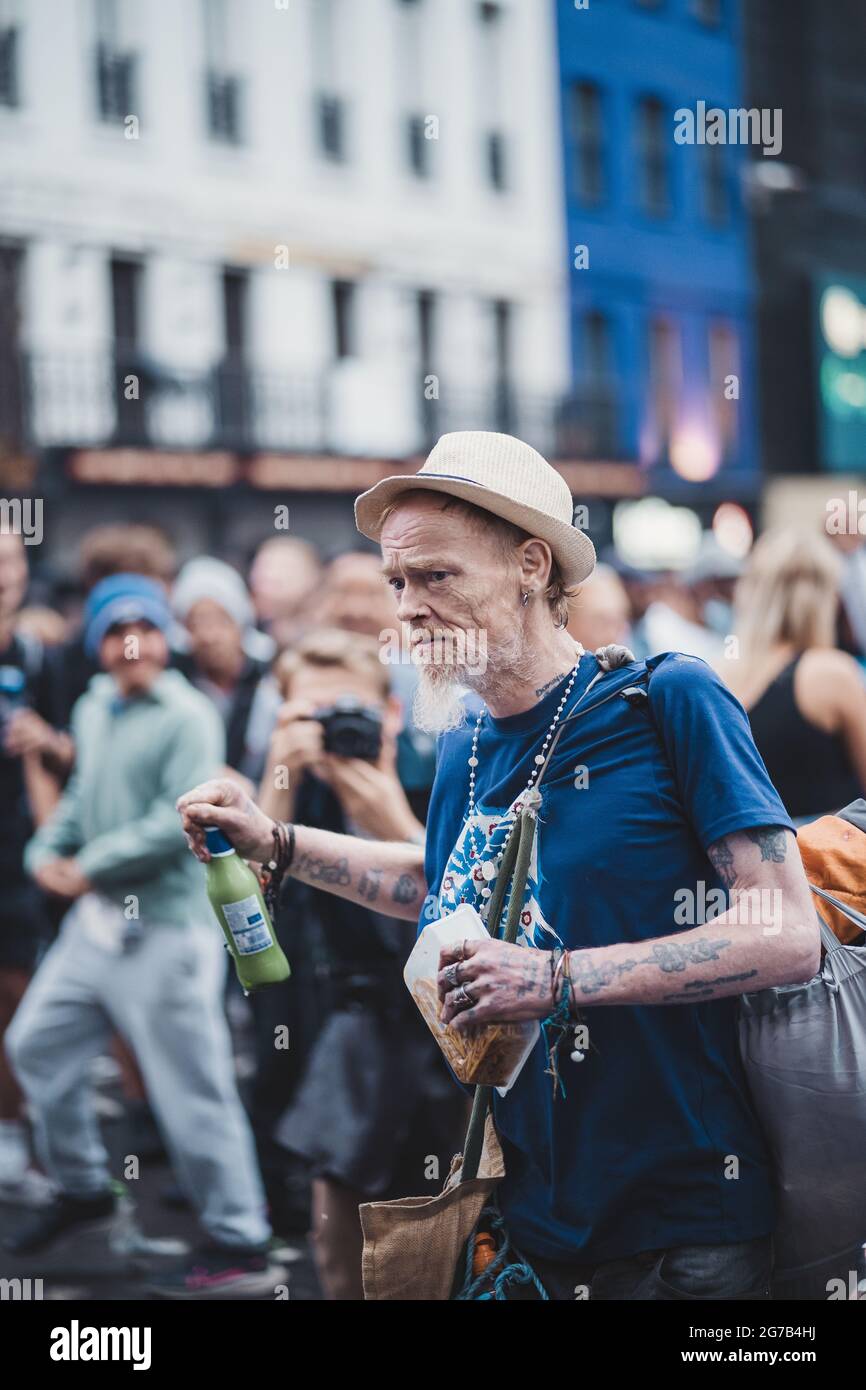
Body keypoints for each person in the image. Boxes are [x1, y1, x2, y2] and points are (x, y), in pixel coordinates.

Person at [179, 431, 819, 1302]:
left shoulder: (666, 699)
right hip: (529, 1208)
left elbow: (785, 933)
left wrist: (551, 977)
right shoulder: (466, 741)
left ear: (530, 564)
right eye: (398, 582)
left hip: (684, 1220)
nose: (406, 608)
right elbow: (442, 887)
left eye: (436, 577)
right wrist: (278, 843)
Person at [4, 573, 279, 1297]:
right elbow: (79, 803)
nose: (134, 643)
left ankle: (242, 1239)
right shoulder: (94, 706)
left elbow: (175, 821)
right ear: (97, 645)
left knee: (193, 1089)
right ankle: (85, 1188)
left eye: (148, 628)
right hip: (95, 931)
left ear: (165, 638)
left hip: (167, 929)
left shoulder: (188, 714)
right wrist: (45, 857)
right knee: (34, 1046)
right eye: (118, 629)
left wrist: (84, 868)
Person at [254, 628, 463, 1297]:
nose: (333, 732)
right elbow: (251, 919)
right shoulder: (300, 789)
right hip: (347, 1021)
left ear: (391, 713)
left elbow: (466, 901)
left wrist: (388, 813)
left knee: (442, 1230)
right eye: (311, 715)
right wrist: (278, 780)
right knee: (334, 1222)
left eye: (348, 713)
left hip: (445, 1023)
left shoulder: (437, 769)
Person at [726, 529, 866, 822]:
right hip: (823, 862)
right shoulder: (830, 672)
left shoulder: (718, 671)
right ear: (823, 597)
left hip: (746, 860)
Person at [0, 533, 61, 1204]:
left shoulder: (46, 657)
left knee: (20, 998)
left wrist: (47, 741)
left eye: (9, 561)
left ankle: (16, 1134)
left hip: (27, 857)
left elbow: (82, 748)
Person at [173, 556, 280, 785]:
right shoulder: (177, 684)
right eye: (196, 623)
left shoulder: (271, 679)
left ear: (240, 622)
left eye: (220, 620)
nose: (208, 636)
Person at [248, 537, 321, 651]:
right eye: (261, 567)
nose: (268, 575)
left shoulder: (326, 634)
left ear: (313, 576)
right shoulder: (248, 631)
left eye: (284, 567)